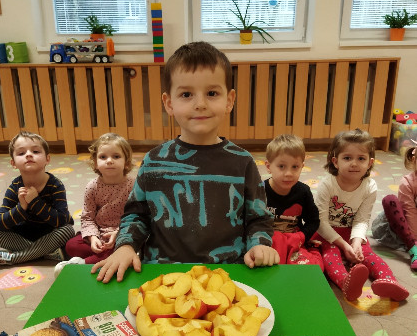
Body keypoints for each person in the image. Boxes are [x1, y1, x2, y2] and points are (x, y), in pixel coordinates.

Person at [92, 40, 279, 283]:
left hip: (226, 274)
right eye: (186, 94)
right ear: (169, 103)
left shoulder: (242, 162)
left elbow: (258, 219)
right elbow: (136, 214)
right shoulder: (154, 160)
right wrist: (126, 246)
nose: (200, 104)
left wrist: (259, 244)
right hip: (162, 274)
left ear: (229, 100)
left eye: (212, 93)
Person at [315, 128, 408, 302]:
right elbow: (320, 222)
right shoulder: (327, 185)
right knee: (330, 256)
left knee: (368, 254)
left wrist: (356, 241)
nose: (354, 164)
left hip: (352, 231)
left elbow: (362, 219)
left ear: (370, 163)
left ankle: (388, 280)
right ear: (335, 161)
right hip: (327, 232)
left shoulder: (370, 186)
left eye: (361, 158)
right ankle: (345, 283)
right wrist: (344, 245)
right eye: (347, 158)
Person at [0, 131, 75, 266]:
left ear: (47, 159)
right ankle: (44, 253)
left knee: (68, 230)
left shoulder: (56, 185)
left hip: (49, 234)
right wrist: (21, 207)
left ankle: (15, 258)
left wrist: (35, 202)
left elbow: (61, 220)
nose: (28, 154)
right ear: (13, 163)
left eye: (35, 151)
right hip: (22, 235)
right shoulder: (14, 187)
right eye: (21, 153)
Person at [54, 133, 135, 275]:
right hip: (99, 233)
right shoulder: (92, 186)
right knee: (71, 245)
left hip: (122, 234)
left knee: (124, 248)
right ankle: (101, 258)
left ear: (126, 162)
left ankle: (82, 264)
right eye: (103, 157)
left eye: (116, 156)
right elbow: (87, 217)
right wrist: (93, 238)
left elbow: (136, 215)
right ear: (96, 162)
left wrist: (118, 233)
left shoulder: (133, 186)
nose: (109, 161)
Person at [264, 134, 323, 268]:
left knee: (310, 266)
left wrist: (302, 236)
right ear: (268, 166)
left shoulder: (303, 191)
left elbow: (313, 221)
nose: (289, 173)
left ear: (302, 166)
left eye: (295, 167)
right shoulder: (260, 190)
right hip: (267, 241)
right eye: (281, 166)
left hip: (294, 242)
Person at [371, 143, 417, 269]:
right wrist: (414, 241)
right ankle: (413, 248)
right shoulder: (407, 182)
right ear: (414, 160)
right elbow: (410, 212)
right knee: (390, 200)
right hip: (401, 231)